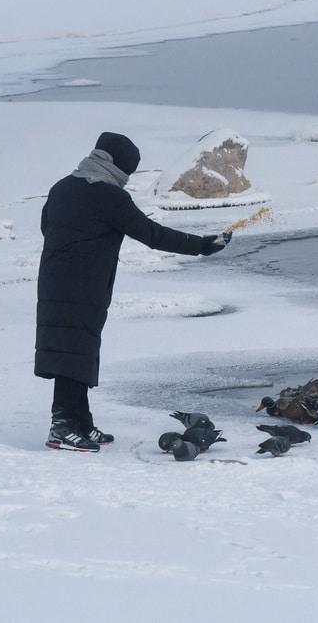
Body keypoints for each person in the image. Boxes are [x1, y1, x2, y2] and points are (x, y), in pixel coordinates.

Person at [36, 132, 229, 452]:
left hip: (56, 280)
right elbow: (151, 234)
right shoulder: (109, 197)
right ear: (116, 166)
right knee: (74, 353)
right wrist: (202, 246)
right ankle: (62, 426)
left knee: (74, 350)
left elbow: (48, 228)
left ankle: (80, 421)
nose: (127, 178)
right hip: (84, 284)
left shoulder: (62, 187)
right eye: (127, 171)